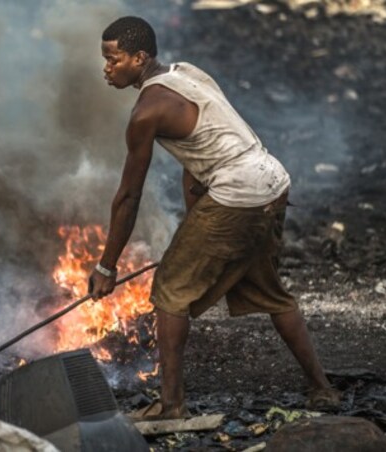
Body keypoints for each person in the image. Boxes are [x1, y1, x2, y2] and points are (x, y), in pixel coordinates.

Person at [86, 16, 340, 420]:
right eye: (105, 60)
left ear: (140, 58)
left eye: (114, 60)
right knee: (270, 291)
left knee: (170, 291)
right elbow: (197, 160)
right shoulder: (186, 73)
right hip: (270, 180)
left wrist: (106, 265)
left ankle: (172, 408)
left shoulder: (146, 113)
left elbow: (128, 196)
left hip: (237, 194)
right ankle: (322, 390)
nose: (107, 68)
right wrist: (196, 224)